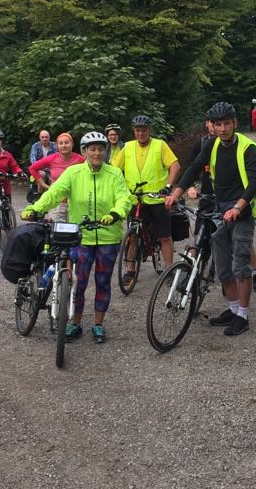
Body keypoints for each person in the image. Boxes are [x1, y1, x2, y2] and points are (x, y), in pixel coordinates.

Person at [166, 102, 256, 337]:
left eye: (226, 124)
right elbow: (194, 167)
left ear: (235, 123)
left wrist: (238, 207)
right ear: (212, 125)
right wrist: (176, 193)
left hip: (242, 211)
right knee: (222, 267)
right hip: (219, 209)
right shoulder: (212, 144)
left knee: (240, 265)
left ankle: (243, 315)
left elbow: (254, 182)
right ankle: (232, 310)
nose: (222, 129)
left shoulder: (247, 148)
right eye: (218, 124)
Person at [22, 132, 131, 344]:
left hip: (108, 236)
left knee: (103, 282)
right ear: (84, 151)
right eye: (92, 149)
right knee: (78, 283)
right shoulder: (73, 172)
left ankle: (98, 324)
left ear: (105, 151)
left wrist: (116, 213)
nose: (97, 153)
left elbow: (124, 197)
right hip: (81, 237)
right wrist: (36, 208)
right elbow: (55, 193)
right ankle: (76, 322)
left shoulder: (115, 173)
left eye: (101, 149)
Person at [112, 115, 181, 280]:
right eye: (137, 130)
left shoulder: (160, 145)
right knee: (132, 235)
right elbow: (114, 169)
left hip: (157, 199)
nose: (141, 133)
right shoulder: (128, 147)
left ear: (149, 130)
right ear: (134, 131)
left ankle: (168, 271)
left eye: (144, 130)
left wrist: (168, 187)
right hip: (135, 199)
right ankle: (130, 271)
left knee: (164, 237)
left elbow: (175, 166)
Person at [28, 132, 85, 221]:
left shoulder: (80, 159)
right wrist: (43, 184)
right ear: (57, 146)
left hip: (76, 202)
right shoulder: (52, 158)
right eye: (61, 143)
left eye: (66, 142)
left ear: (72, 144)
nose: (64, 146)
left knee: (77, 228)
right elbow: (32, 168)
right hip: (57, 202)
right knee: (56, 228)